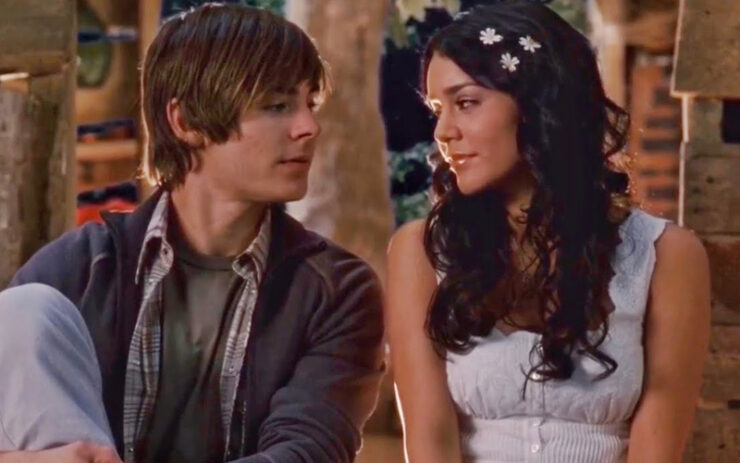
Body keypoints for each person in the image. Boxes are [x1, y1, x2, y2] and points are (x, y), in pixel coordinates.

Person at [0, 4, 385, 463]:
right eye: (277, 105)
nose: (309, 127)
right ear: (185, 122)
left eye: (310, 104)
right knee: (26, 309)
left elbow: (308, 451)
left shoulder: (336, 290)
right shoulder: (80, 269)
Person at [385, 1, 710, 462]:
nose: (443, 131)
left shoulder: (666, 256)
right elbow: (429, 441)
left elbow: (658, 447)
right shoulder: (422, 253)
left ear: (538, 102)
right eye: (438, 109)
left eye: (466, 103)